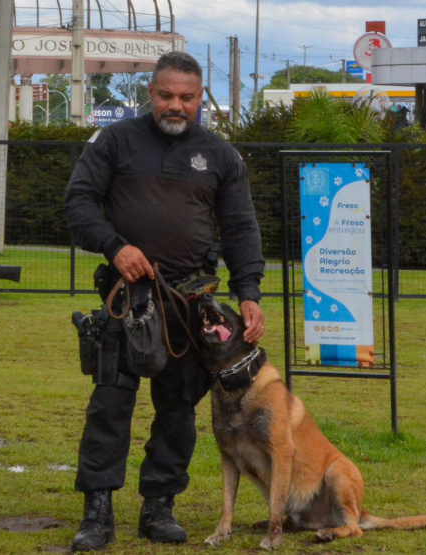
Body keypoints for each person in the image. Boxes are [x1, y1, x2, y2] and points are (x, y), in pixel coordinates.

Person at [64, 51, 266, 552]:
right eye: (166, 95)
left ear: (200, 99)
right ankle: (97, 512)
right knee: (110, 405)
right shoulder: (114, 141)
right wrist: (116, 246)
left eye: (186, 97)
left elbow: (241, 229)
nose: (175, 105)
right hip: (124, 297)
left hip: (190, 302)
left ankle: (159, 506)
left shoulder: (220, 155)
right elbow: (78, 203)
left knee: (178, 410)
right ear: (149, 93)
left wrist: (249, 294)